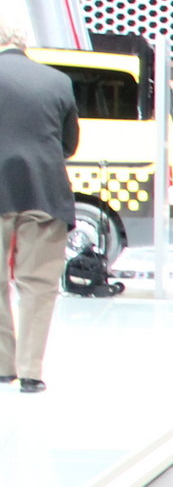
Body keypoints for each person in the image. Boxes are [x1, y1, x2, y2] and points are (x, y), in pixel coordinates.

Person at [0, 25, 78, 394]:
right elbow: (69, 143)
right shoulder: (58, 81)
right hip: (45, 190)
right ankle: (30, 371)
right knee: (38, 284)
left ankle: (2, 365)